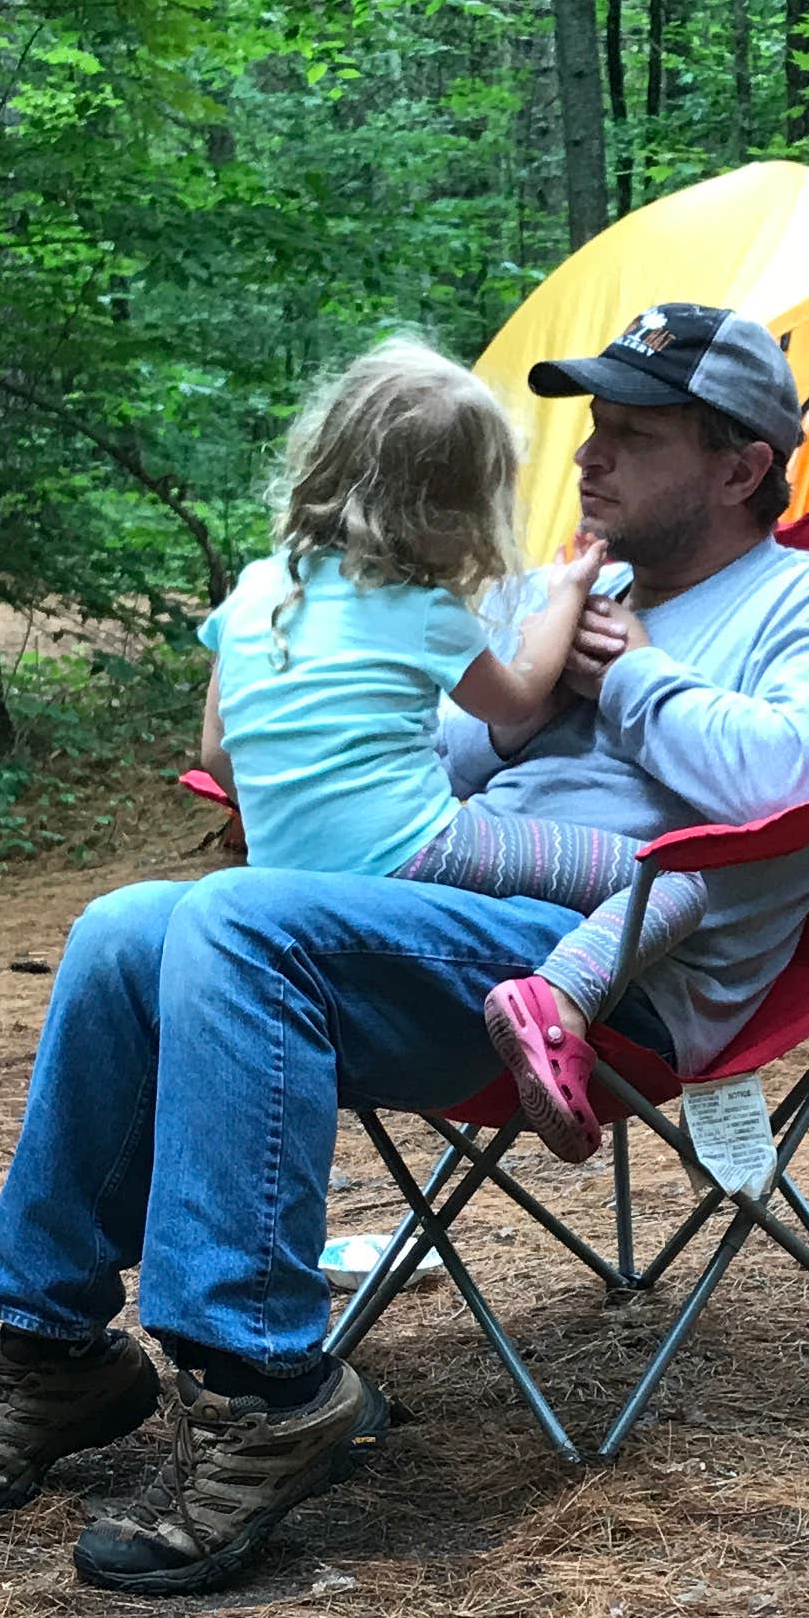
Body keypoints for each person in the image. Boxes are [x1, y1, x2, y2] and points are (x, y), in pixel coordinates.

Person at [0, 300, 809, 1597]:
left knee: (238, 923)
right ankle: (53, 1350)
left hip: (617, 970)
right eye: (591, 427)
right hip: (451, 925)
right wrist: (517, 687)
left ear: (743, 464)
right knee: (125, 931)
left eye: (632, 436)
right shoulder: (568, 589)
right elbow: (450, 753)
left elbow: (800, 784)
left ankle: (265, 1389)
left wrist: (633, 679)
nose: (587, 458)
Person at [193, 337, 711, 1163]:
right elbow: (521, 695)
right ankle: (557, 1002)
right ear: (454, 509)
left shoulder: (257, 591)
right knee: (672, 880)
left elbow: (219, 755)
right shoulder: (417, 607)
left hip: (285, 881)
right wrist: (569, 590)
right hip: (419, 853)